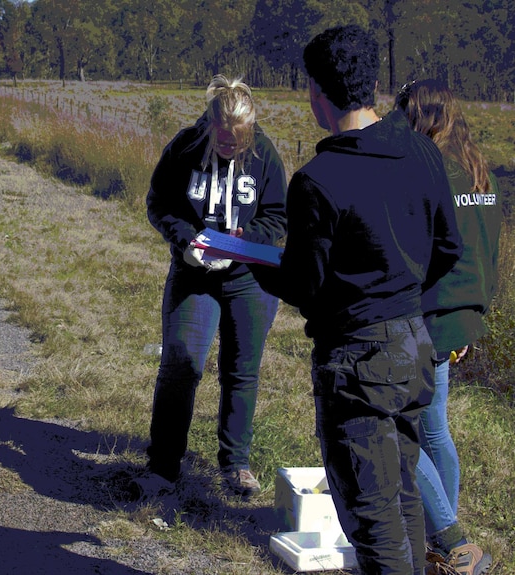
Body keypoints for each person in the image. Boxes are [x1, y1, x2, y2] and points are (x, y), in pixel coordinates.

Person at [248, 26, 462, 573]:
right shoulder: (421, 150)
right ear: (371, 83)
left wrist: (253, 258)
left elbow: (303, 286)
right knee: (404, 498)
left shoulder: (319, 180)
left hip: (357, 362)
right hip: (415, 346)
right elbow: (448, 248)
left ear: (316, 92)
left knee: (374, 522)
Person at [140, 75, 287, 498]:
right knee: (181, 365)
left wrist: (249, 237)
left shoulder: (264, 154)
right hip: (194, 274)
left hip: (249, 280)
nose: (232, 146)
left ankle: (235, 464)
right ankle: (164, 465)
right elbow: (160, 203)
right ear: (210, 123)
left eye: (239, 140)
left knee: (241, 371)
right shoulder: (184, 147)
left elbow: (279, 215)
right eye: (224, 139)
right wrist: (186, 241)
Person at [396, 79, 500, 575]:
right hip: (464, 311)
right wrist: (470, 318)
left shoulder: (431, 171)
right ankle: (446, 539)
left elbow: (423, 253)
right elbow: (488, 251)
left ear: (421, 116)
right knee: (435, 426)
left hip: (433, 313)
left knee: (402, 427)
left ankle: (452, 542)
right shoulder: (481, 175)